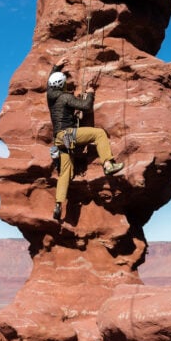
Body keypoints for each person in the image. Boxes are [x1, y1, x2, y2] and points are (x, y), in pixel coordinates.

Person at [47, 56, 124, 221]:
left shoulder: (50, 96)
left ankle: (58, 204)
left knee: (65, 173)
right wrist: (89, 94)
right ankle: (108, 164)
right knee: (99, 134)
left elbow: (50, 83)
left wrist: (56, 67)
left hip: (59, 141)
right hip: (68, 135)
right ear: (62, 85)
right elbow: (86, 107)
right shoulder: (65, 97)